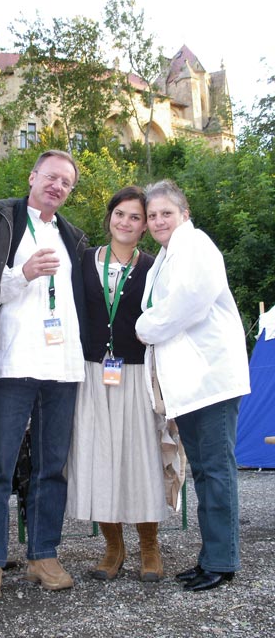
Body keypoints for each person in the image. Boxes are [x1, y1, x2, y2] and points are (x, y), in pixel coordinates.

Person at [0, 149, 88, 600]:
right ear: (32, 176)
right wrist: (23, 274)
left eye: (66, 183)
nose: (57, 186)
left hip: (62, 366)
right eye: (51, 177)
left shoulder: (74, 237)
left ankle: (43, 555)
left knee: (51, 466)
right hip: (12, 365)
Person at [135, 179, 250, 592]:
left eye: (167, 212)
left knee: (216, 471)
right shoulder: (168, 254)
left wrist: (142, 327)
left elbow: (185, 304)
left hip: (210, 380)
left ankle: (222, 560)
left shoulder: (195, 245)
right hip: (191, 383)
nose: (159, 220)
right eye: (152, 215)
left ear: (185, 214)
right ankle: (210, 557)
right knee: (204, 471)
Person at [66, 186, 182, 583]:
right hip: (92, 373)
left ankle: (149, 546)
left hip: (134, 371)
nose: (127, 223)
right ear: (109, 217)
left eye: (136, 217)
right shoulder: (83, 261)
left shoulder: (154, 266)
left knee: (141, 457)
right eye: (121, 214)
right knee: (97, 458)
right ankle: (113, 547)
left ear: (145, 226)